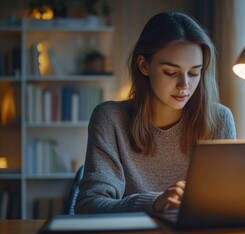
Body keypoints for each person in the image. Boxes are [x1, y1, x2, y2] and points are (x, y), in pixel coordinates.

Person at [75, 11, 236, 214]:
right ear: (143, 65)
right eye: (171, 72)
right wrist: (155, 203)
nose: (184, 85)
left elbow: (224, 203)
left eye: (195, 73)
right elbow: (88, 206)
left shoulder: (219, 120)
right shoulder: (110, 118)